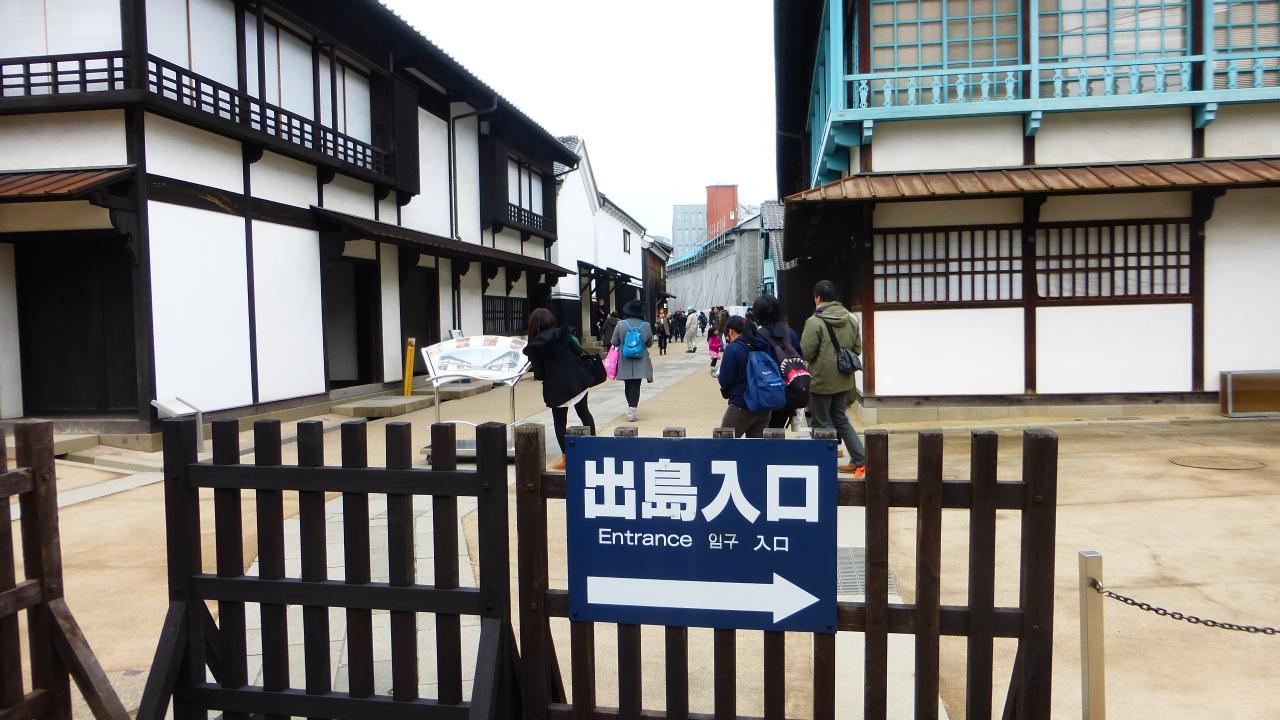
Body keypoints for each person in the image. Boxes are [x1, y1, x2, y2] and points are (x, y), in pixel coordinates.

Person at [801, 280, 866, 477]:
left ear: (818, 298)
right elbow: (856, 350)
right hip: (844, 379)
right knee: (841, 419)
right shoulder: (851, 318)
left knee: (820, 424)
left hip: (821, 381)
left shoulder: (814, 321)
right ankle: (860, 460)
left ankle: (823, 466)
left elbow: (807, 352)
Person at [522, 308, 596, 470]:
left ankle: (566, 458)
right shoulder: (564, 333)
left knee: (560, 422)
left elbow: (539, 374)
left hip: (556, 388)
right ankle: (593, 448)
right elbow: (578, 351)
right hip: (577, 379)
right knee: (584, 413)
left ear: (534, 324)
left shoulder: (535, 346)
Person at [716, 316, 775, 438]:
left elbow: (725, 380)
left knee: (723, 445)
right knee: (756, 447)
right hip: (763, 406)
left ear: (730, 331)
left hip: (741, 405)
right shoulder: (761, 346)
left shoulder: (733, 349)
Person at [751, 294, 804, 430]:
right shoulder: (790, 332)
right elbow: (800, 356)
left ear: (757, 314)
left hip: (765, 392)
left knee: (761, 433)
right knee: (777, 430)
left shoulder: (757, 336)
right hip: (788, 391)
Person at [611, 299, 654, 422]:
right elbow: (649, 343)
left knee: (628, 384)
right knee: (636, 385)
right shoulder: (646, 325)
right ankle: (632, 410)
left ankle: (630, 408)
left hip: (625, 359)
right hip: (641, 360)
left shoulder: (621, 324)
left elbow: (614, 341)